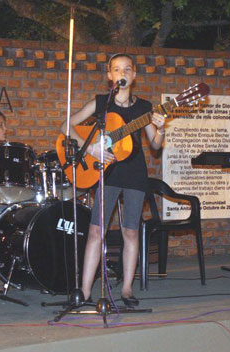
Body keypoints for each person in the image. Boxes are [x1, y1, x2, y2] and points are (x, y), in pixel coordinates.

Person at [60, 53, 166, 306]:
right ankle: (85, 291)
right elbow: (66, 126)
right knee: (96, 231)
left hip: (134, 172)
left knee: (131, 231)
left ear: (134, 75)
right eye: (117, 69)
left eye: (127, 69)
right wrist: (90, 148)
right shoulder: (101, 103)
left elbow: (155, 144)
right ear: (110, 76)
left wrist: (161, 129)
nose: (123, 73)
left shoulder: (143, 108)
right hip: (105, 171)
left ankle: (127, 289)